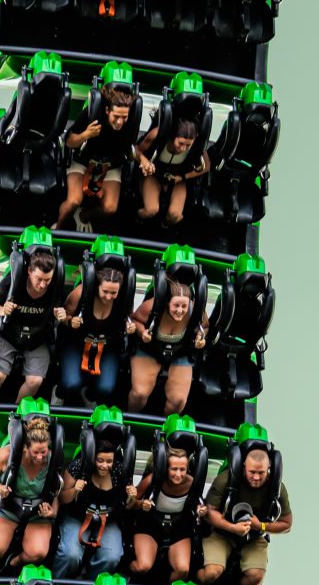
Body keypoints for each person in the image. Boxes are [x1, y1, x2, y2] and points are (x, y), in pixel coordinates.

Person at [197, 441, 289, 585]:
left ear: (269, 467)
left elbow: (287, 523)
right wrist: (233, 528)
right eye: (252, 472)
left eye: (261, 473)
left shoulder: (277, 489)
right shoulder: (226, 479)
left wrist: (261, 526)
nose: (256, 477)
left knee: (256, 576)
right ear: (244, 465)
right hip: (222, 532)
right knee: (212, 572)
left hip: (254, 536)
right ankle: (194, 583)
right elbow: (209, 513)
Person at [0, 249, 67, 404]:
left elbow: (65, 313)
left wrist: (62, 315)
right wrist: (3, 310)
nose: (42, 285)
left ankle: (17, 411)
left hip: (36, 339)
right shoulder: (12, 282)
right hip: (7, 335)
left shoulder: (55, 288)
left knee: (35, 381)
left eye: (47, 280)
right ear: (29, 272)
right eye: (39, 279)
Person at [0, 414, 61, 569]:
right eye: (35, 452)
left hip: (36, 512)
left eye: (43, 451)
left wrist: (52, 512)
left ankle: (13, 564)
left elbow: (55, 493)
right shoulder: (7, 455)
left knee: (38, 552)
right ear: (25, 447)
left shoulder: (52, 460)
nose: (40, 457)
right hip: (6, 507)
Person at [54, 83, 141, 229]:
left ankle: (83, 217)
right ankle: (58, 228)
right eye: (116, 116)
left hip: (110, 165)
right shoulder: (91, 114)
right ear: (107, 110)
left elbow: (132, 147)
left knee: (110, 207)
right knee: (74, 201)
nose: (120, 122)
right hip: (83, 160)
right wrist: (85, 135)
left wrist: (144, 161)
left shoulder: (130, 122)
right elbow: (69, 142)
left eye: (124, 117)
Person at [58, 249, 133, 408]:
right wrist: (70, 321)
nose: (109, 297)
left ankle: (88, 395)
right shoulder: (81, 293)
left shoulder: (122, 300)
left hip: (107, 347)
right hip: (76, 342)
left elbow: (128, 319)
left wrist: (130, 327)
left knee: (106, 388)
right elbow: (62, 316)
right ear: (97, 285)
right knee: (71, 383)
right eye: (105, 291)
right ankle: (59, 393)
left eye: (113, 293)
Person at [127, 434, 204, 583]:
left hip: (178, 527)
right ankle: (126, 574)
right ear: (166, 468)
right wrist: (141, 504)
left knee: (183, 570)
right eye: (174, 469)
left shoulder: (192, 483)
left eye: (182, 469)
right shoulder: (153, 479)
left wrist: (202, 511)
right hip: (151, 524)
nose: (178, 474)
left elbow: (200, 504)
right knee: (143, 566)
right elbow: (130, 504)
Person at [51, 436, 129, 583]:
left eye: (109, 461)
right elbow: (61, 497)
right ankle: (58, 581)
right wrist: (75, 490)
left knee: (112, 557)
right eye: (100, 460)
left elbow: (126, 503)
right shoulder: (78, 466)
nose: (104, 465)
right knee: (70, 554)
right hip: (77, 515)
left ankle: (93, 582)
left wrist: (132, 497)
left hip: (107, 519)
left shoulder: (118, 470)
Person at [126, 273, 205, 415]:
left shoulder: (195, 310)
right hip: (150, 349)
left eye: (184, 306)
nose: (180, 310)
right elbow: (134, 320)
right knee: (139, 393)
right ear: (168, 302)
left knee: (178, 400)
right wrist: (142, 332)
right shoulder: (151, 306)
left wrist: (200, 337)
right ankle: (130, 418)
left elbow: (205, 327)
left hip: (179, 352)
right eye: (176, 305)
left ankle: (166, 422)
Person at [136, 100, 211, 228]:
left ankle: (164, 226)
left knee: (175, 216)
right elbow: (136, 150)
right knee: (151, 210)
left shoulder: (197, 144)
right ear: (172, 135)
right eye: (181, 143)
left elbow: (206, 166)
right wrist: (144, 161)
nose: (183, 148)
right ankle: (137, 220)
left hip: (178, 178)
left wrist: (183, 177)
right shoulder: (157, 135)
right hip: (154, 174)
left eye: (188, 145)